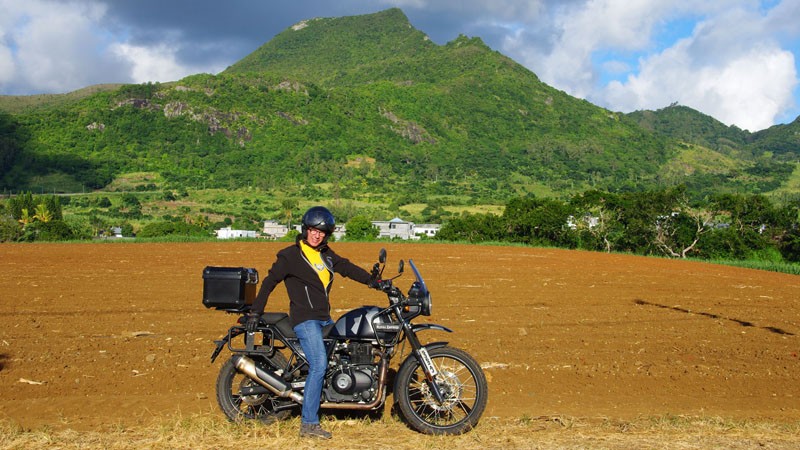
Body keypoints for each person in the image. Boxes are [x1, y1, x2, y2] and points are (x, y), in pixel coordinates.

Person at [246, 206, 375, 439]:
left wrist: (374, 281)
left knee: (341, 357)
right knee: (319, 364)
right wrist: (256, 312)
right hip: (305, 319)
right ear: (305, 230)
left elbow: (346, 267)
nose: (318, 235)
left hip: (324, 318)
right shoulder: (290, 256)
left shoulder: (326, 254)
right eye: (314, 230)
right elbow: (269, 282)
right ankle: (309, 424)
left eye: (322, 232)